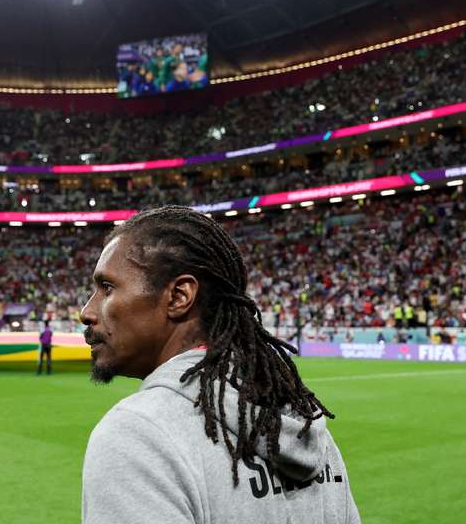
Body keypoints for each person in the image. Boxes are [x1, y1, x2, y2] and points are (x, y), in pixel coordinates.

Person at [80, 206, 359, 523]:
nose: (87, 311)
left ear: (179, 296)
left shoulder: (137, 436)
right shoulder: (305, 423)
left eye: (107, 287)